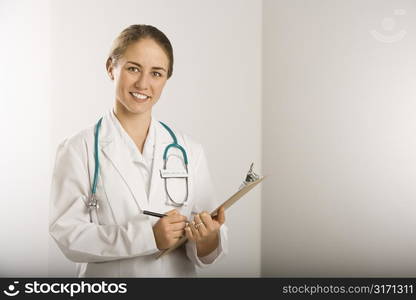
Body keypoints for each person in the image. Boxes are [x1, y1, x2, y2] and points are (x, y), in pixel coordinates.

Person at [49, 24, 228, 277]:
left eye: (156, 73)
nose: (144, 83)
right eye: (133, 69)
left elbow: (208, 251)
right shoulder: (78, 148)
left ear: (166, 78)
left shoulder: (190, 151)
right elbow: (68, 235)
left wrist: (207, 237)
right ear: (111, 68)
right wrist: (147, 237)